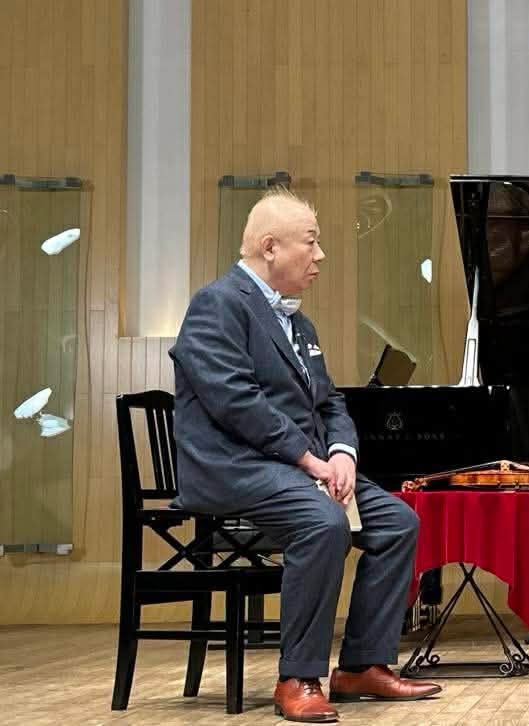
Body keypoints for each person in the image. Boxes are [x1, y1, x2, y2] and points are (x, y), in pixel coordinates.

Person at [170, 188, 440, 722]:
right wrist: (307, 459)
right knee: (322, 522)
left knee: (398, 522)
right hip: (236, 466)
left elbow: (330, 401)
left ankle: (362, 665)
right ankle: (298, 676)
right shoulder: (217, 304)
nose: (321, 255)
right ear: (270, 247)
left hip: (297, 468)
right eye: (311, 243)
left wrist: (342, 453)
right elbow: (235, 400)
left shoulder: (299, 322)